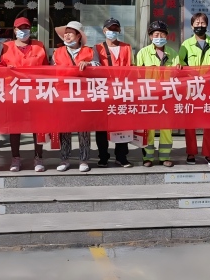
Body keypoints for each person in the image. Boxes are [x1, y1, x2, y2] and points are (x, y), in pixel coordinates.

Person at [0, 17, 49, 172]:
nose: (23, 31)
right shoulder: (6, 47)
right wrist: (7, 70)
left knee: (37, 126)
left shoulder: (39, 46)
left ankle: (38, 157)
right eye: (20, 28)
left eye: (26, 28)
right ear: (14, 30)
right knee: (15, 126)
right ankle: (15, 158)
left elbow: (46, 68)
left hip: (35, 92)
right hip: (14, 92)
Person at [52, 21, 99, 172]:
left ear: (79, 36)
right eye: (65, 33)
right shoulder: (57, 52)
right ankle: (64, 159)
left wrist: (89, 65)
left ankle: (84, 160)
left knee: (83, 128)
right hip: (64, 94)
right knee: (64, 128)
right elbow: (50, 71)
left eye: (70, 33)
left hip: (83, 95)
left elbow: (100, 67)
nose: (66, 36)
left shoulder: (89, 51)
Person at [136, 21, 180, 167]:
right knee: (148, 128)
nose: (159, 37)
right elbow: (137, 75)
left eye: (162, 34)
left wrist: (179, 69)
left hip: (167, 95)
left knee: (166, 128)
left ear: (167, 36)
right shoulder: (143, 53)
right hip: (149, 95)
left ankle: (165, 156)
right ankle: (147, 157)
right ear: (150, 37)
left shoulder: (173, 53)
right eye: (156, 34)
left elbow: (178, 75)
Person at [178, 12, 210, 167]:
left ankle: (209, 154)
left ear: (207, 25)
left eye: (202, 23)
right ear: (192, 26)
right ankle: (191, 152)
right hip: (192, 88)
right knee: (190, 122)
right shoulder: (186, 44)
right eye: (197, 23)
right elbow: (180, 63)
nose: (200, 26)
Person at [95, 18, 133, 168]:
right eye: (110, 29)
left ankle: (121, 156)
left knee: (122, 125)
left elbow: (131, 68)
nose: (113, 32)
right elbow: (95, 67)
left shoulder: (127, 47)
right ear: (104, 31)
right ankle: (103, 156)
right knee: (101, 126)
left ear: (119, 31)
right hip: (103, 91)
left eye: (116, 29)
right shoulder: (97, 48)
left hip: (122, 91)